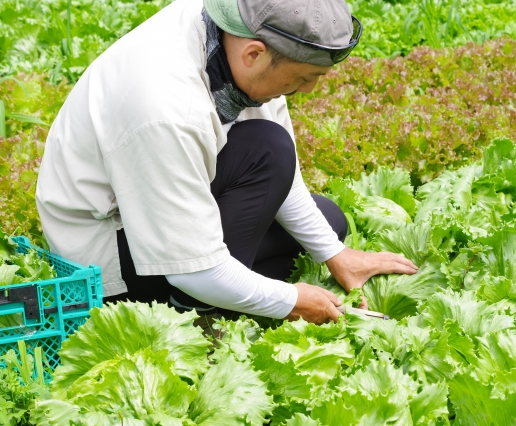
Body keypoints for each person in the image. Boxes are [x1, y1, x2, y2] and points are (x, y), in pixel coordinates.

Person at [35, 0, 418, 325]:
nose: (308, 89)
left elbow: (281, 179)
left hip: (156, 202)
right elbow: (194, 267)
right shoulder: (164, 104)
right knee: (268, 151)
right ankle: (194, 312)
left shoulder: (238, 38)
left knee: (328, 222)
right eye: (303, 77)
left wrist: (337, 256)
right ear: (254, 54)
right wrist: (291, 301)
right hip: (108, 262)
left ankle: (230, 291)